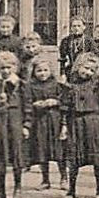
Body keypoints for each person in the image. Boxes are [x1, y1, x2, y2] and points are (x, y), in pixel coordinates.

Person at [60, 52, 99, 198]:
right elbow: (64, 106)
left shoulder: (97, 86)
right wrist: (64, 126)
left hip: (93, 122)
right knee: (74, 158)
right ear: (78, 66)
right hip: (75, 122)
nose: (87, 72)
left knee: (96, 157)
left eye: (92, 70)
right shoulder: (71, 85)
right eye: (85, 68)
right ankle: (71, 190)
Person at [0, 52, 29, 198]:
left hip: (15, 121)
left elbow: (28, 106)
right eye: (2, 68)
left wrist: (26, 125)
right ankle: (0, 190)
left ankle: (18, 188)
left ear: (15, 68)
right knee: (0, 154)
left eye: (9, 67)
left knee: (16, 154)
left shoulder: (21, 84)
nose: (6, 71)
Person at [25, 51, 65, 189]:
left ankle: (63, 177)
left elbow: (65, 101)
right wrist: (35, 104)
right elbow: (27, 102)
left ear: (51, 71)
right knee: (42, 150)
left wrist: (55, 101)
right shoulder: (30, 86)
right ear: (34, 72)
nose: (42, 73)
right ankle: (45, 179)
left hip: (55, 120)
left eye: (45, 70)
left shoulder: (56, 85)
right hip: (39, 122)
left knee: (59, 150)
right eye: (39, 71)